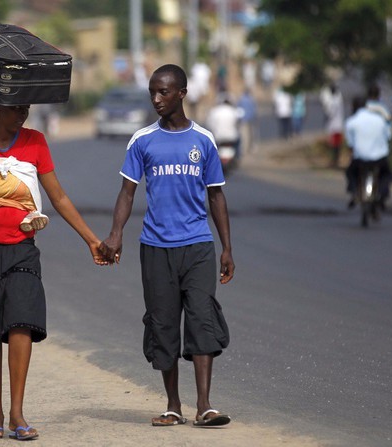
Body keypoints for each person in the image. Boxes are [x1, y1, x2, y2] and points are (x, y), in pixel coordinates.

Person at [0, 100, 108, 441]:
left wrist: (91, 240)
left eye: (25, 108)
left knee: (21, 321)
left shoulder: (36, 142)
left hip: (21, 250)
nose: (22, 114)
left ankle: (17, 413)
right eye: (15, 108)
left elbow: (57, 198)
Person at [99, 64, 234, 428]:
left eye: (163, 92)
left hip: (198, 245)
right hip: (156, 248)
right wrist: (115, 234)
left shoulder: (203, 139)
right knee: (162, 325)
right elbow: (127, 192)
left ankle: (204, 405)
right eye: (153, 93)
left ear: (181, 94)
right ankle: (173, 404)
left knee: (202, 319)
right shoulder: (142, 140)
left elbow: (216, 197)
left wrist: (226, 248)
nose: (157, 99)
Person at [344, 84, 392, 210]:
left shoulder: (351, 122)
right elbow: (388, 135)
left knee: (350, 172)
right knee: (387, 174)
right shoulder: (380, 117)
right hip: (379, 157)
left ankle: (354, 192)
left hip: (360, 158)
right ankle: (382, 195)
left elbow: (350, 144)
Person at [206, 93, 243, 158]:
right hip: (232, 137)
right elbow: (238, 123)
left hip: (218, 137)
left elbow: (209, 125)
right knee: (239, 141)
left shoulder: (214, 111)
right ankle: (238, 156)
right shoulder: (234, 111)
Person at [320, 83, 345, 167]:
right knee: (337, 145)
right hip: (338, 125)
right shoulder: (339, 99)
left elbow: (330, 113)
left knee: (334, 145)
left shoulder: (333, 101)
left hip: (334, 126)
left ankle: (334, 161)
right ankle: (335, 160)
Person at [237, 89, 257, 155]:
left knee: (244, 135)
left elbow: (238, 109)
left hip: (243, 119)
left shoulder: (241, 99)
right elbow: (254, 109)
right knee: (251, 134)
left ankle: (244, 149)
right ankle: (251, 148)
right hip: (251, 118)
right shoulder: (251, 99)